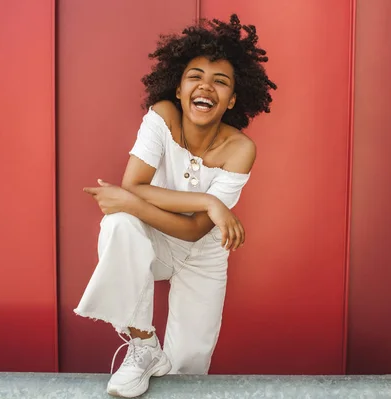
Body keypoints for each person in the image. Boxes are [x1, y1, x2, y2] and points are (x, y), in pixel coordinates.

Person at [76, 14, 276, 398]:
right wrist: (208, 201)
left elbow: (194, 229)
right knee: (119, 223)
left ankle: (170, 365)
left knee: (189, 370)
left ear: (233, 99)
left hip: (204, 258)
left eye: (220, 81)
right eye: (195, 77)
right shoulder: (162, 117)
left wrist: (134, 200)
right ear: (180, 90)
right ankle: (143, 346)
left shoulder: (240, 149)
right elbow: (132, 186)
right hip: (157, 243)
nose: (206, 86)